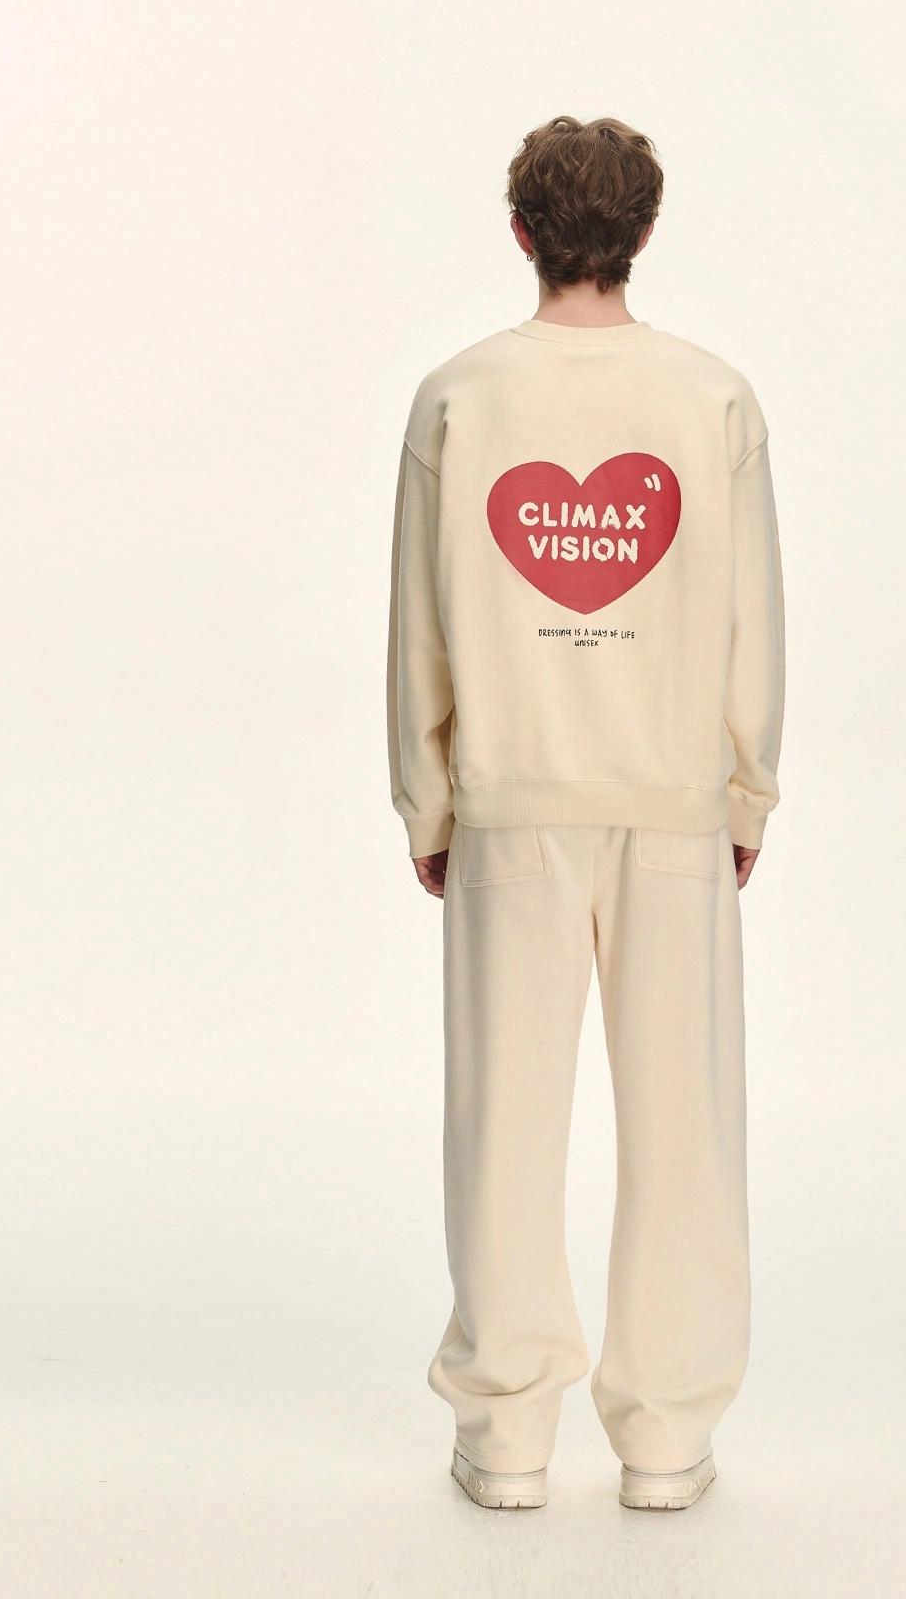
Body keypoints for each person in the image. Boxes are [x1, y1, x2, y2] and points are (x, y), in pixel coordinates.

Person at [385, 114, 786, 1512]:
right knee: (687, 1127)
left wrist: (431, 799)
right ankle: (667, 1438)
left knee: (500, 1121)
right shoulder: (713, 399)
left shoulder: (459, 396)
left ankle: (505, 1435)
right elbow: (752, 620)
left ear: (521, 232)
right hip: (672, 805)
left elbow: (418, 627)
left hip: (511, 803)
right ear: (645, 233)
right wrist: (745, 787)